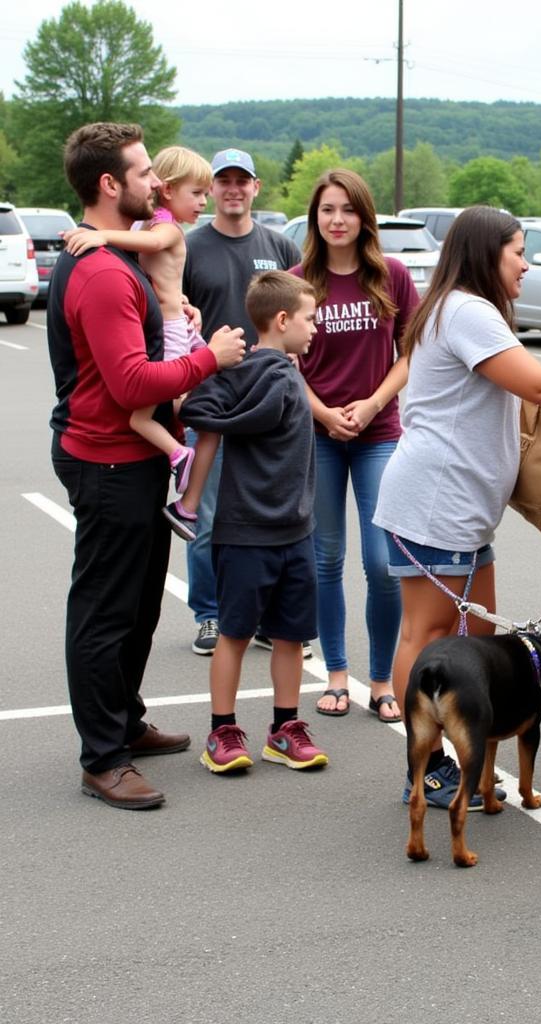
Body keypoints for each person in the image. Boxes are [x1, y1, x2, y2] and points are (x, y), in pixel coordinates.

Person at [373, 206, 541, 810]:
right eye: (518, 251)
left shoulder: (458, 308)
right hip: (436, 506)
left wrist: (534, 407)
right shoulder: (467, 309)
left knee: (475, 640)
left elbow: (504, 387)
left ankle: (466, 757)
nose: (526, 264)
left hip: (461, 510)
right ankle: (426, 767)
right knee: (428, 639)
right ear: (485, 254)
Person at [48, 122, 245, 809]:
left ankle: (124, 726)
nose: (156, 184)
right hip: (106, 463)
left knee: (135, 610)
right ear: (110, 185)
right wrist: (206, 358)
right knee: (105, 614)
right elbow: (133, 385)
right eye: (143, 173)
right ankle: (102, 759)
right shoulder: (101, 271)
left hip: (131, 459)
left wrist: (177, 313)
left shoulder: (119, 260)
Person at [180, 271, 326, 773]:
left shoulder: (276, 371)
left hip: (295, 532)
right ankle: (222, 731)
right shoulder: (267, 374)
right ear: (282, 320)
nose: (315, 328)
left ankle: (285, 729)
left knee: (291, 636)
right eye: (309, 318)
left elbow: (203, 406)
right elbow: (203, 409)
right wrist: (243, 399)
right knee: (236, 633)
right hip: (245, 534)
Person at [290, 169, 414, 722]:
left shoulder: (392, 276)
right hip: (316, 435)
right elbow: (284, 361)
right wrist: (324, 413)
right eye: (326, 210)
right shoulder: (298, 281)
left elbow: (410, 352)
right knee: (325, 558)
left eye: (347, 209)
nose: (336, 220)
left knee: (384, 563)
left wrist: (370, 405)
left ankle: (381, 679)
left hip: (378, 433)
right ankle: (336, 673)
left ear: (364, 216)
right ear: (315, 218)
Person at [61, 145, 217, 541]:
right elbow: (147, 264)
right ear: (168, 190)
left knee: (187, 410)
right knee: (162, 410)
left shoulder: (162, 230)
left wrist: (99, 237)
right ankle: (184, 468)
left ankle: (189, 486)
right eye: (196, 193)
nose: (203, 202)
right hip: (169, 332)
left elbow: (150, 251)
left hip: (173, 329)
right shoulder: (151, 228)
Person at [182, 147, 302, 655]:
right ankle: (210, 614)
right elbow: (171, 316)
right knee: (208, 516)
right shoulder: (189, 247)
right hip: (213, 398)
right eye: (223, 180)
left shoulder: (278, 246)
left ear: (256, 188)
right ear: (211, 189)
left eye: (242, 180)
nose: (233, 188)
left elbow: (300, 315)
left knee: (265, 515)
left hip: (270, 405)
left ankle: (259, 618)